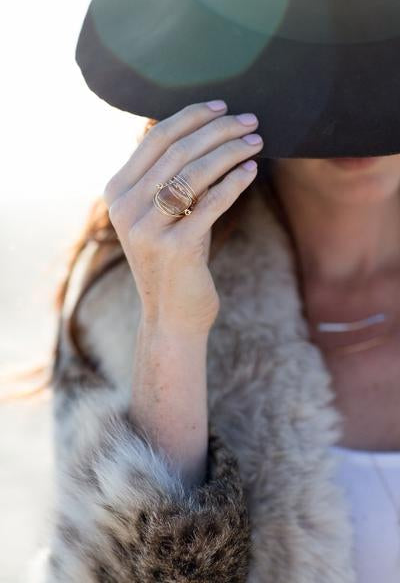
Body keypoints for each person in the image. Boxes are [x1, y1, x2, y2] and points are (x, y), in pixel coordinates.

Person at [33, 100, 400, 583]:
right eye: (321, 58)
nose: (354, 111)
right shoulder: (118, 316)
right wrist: (170, 329)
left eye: (379, 59)